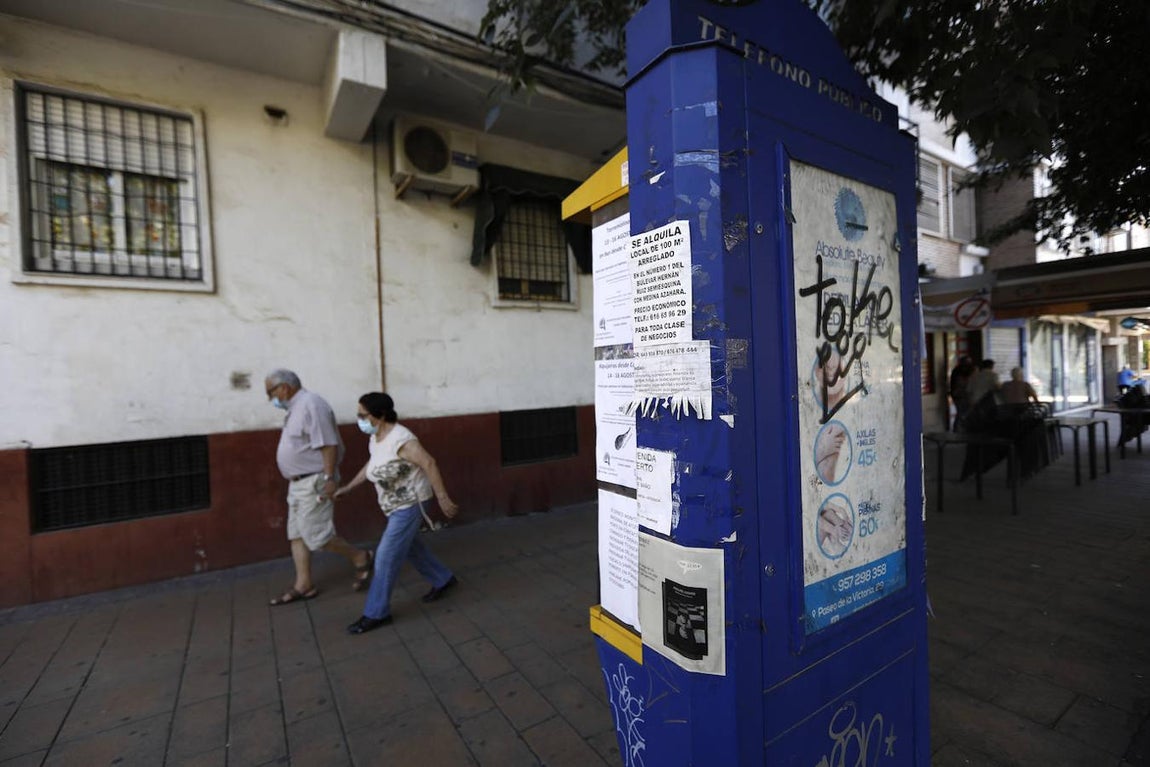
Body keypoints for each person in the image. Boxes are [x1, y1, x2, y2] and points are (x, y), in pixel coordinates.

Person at [335, 392, 460, 634]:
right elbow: (372, 465)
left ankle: (376, 613)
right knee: (411, 546)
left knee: (385, 556)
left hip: (411, 505)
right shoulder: (376, 436)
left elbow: (430, 463)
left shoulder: (401, 439)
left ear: (380, 416)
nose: (359, 419)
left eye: (363, 415)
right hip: (393, 505)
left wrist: (443, 497)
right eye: (358, 414)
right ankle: (443, 579)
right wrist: (349, 487)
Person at [265, 369, 372, 606]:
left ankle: (359, 556)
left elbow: (328, 445)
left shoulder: (311, 405)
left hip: (314, 481)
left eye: (270, 392)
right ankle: (304, 584)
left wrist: (329, 479)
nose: (270, 399)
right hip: (297, 483)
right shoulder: (295, 408)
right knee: (297, 536)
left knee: (317, 537)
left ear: (284, 388)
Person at [948, 356, 975, 431]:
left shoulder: (957, 370)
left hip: (958, 394)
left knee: (962, 413)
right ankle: (958, 429)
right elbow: (961, 383)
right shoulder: (960, 371)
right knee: (961, 413)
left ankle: (959, 429)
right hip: (960, 395)